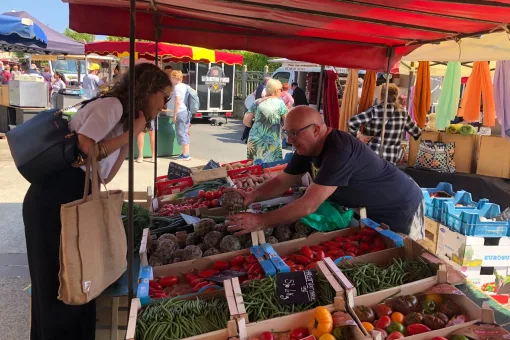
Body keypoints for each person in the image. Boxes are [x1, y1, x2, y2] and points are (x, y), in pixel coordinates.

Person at [23, 62, 171, 340]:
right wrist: (131, 132)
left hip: (73, 195)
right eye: (165, 97)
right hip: (56, 197)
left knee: (80, 279)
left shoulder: (123, 115)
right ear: (149, 90)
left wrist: (133, 133)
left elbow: (108, 171)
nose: (165, 105)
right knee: (60, 283)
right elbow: (84, 146)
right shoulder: (111, 106)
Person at [227, 106, 424, 241]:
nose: (289, 140)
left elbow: (308, 205)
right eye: (287, 133)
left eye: (294, 133)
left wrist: (261, 221)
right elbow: (282, 181)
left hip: (401, 206)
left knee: (401, 259)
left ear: (316, 130)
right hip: (368, 211)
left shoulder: (339, 150)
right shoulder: (308, 147)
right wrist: (252, 196)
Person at [348, 83, 422, 164]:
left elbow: (352, 123)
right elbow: (417, 132)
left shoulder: (375, 111)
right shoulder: (403, 113)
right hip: (390, 160)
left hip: (371, 157)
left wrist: (359, 135)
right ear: (396, 96)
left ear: (382, 95)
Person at [243, 78, 288, 162]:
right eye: (281, 90)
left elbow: (246, 121)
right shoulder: (280, 104)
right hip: (272, 141)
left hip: (255, 140)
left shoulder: (257, 102)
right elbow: (287, 123)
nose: (281, 92)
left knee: (254, 168)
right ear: (276, 90)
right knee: (271, 168)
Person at [171, 70, 191, 160]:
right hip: (186, 112)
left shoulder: (176, 87)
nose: (171, 79)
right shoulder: (185, 86)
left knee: (181, 133)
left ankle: (186, 154)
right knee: (185, 132)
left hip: (180, 112)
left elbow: (177, 102)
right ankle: (185, 153)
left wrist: (174, 114)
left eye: (172, 77)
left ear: (175, 78)